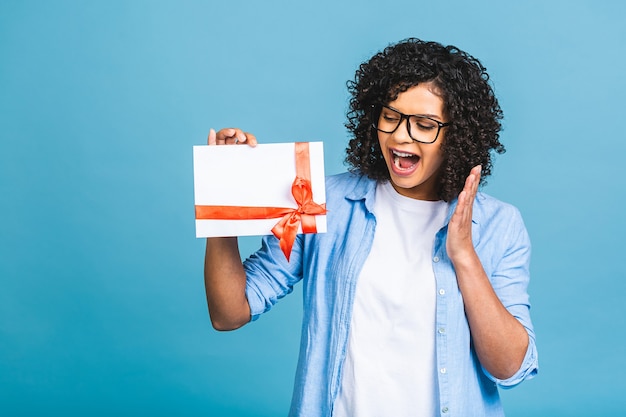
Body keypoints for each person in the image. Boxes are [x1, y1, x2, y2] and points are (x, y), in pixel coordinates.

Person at [204, 38, 538, 417]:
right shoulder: (322, 201)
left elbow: (510, 368)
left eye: (424, 125)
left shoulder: (499, 224)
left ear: (456, 135)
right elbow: (228, 313)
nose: (400, 136)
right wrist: (223, 198)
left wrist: (464, 257)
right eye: (391, 116)